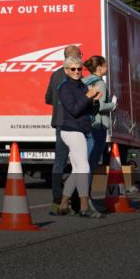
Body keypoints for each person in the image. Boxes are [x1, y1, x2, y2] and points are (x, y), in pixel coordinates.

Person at [54, 56, 104, 218]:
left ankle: (63, 205)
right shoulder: (65, 88)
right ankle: (84, 207)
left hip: (81, 130)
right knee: (84, 168)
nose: (76, 72)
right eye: (73, 69)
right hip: (71, 130)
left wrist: (95, 102)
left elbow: (89, 111)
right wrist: (88, 96)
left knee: (77, 170)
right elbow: (74, 110)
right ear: (66, 70)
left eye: (79, 69)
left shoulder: (81, 85)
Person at [46, 44, 82, 210]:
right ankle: (76, 200)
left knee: (59, 161)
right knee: (78, 162)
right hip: (72, 123)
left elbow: (48, 98)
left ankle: (57, 196)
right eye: (79, 56)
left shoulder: (55, 75)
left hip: (59, 122)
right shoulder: (75, 77)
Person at [82, 55, 117, 195]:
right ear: (99, 68)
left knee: (85, 162)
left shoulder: (85, 81)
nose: (107, 68)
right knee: (91, 162)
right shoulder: (100, 83)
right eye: (106, 65)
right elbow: (100, 106)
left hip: (87, 124)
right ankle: (85, 196)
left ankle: (80, 195)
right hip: (98, 125)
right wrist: (113, 105)